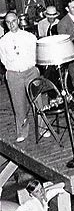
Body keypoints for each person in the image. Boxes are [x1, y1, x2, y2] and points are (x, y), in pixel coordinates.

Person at [0, 11, 39, 142]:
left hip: (31, 72)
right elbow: (4, 60)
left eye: (13, 21)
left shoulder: (29, 37)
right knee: (19, 105)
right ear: (5, 24)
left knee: (38, 101)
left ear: (18, 21)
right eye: (8, 22)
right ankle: (22, 132)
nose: (11, 24)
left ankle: (43, 128)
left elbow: (36, 53)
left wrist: (29, 67)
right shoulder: (3, 41)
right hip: (14, 75)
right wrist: (15, 70)